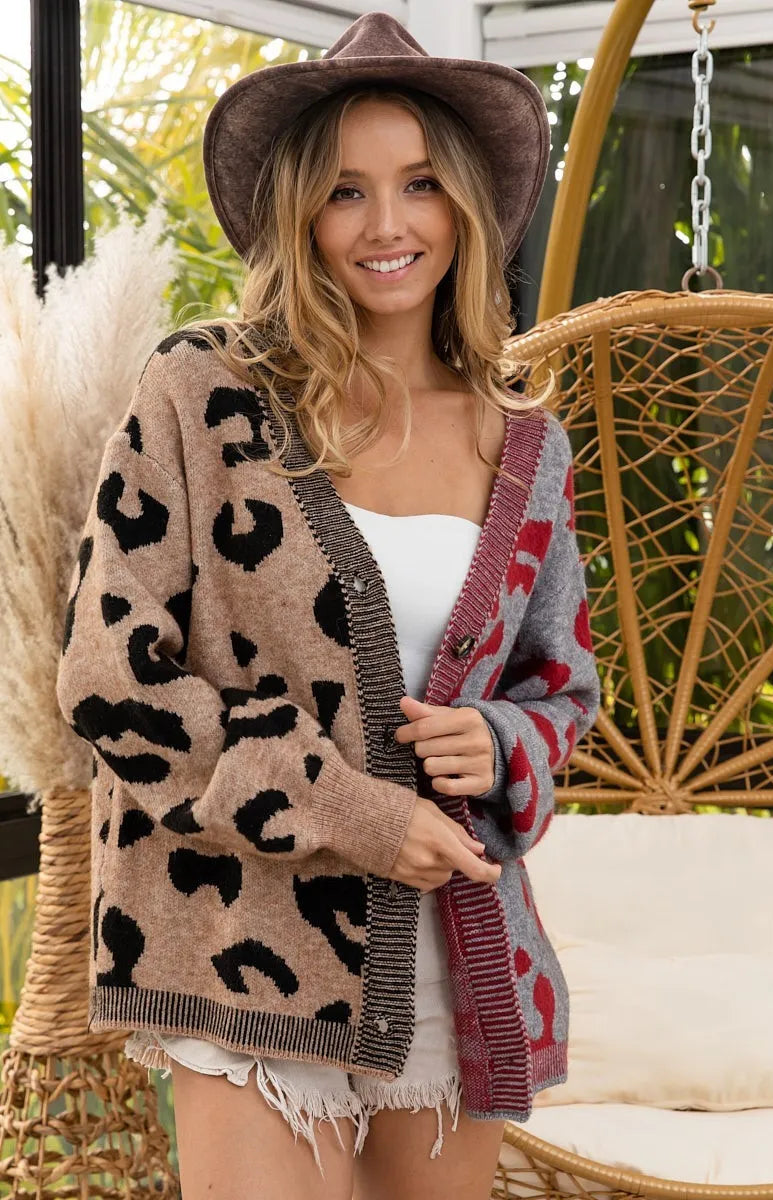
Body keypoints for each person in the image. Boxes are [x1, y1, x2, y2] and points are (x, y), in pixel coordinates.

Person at [55, 12, 601, 1200]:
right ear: (299, 213)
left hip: (452, 954)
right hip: (240, 944)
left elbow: (561, 691)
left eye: (419, 184)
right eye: (345, 191)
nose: (386, 224)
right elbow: (108, 678)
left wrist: (502, 740)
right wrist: (345, 809)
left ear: (465, 205)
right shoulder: (201, 393)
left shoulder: (527, 446)